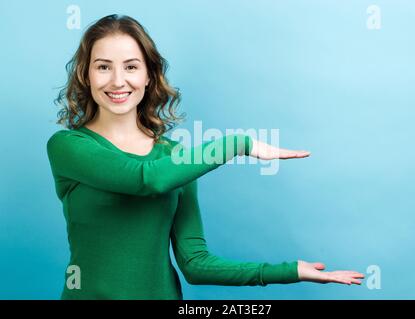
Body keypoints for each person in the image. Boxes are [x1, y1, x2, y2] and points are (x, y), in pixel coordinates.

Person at [47, 14, 364, 300]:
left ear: (148, 75)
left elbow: (195, 263)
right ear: (86, 76)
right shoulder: (68, 147)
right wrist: (238, 143)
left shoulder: (176, 157)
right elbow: (146, 179)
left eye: (131, 66)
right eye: (103, 66)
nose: (118, 80)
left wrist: (289, 271)